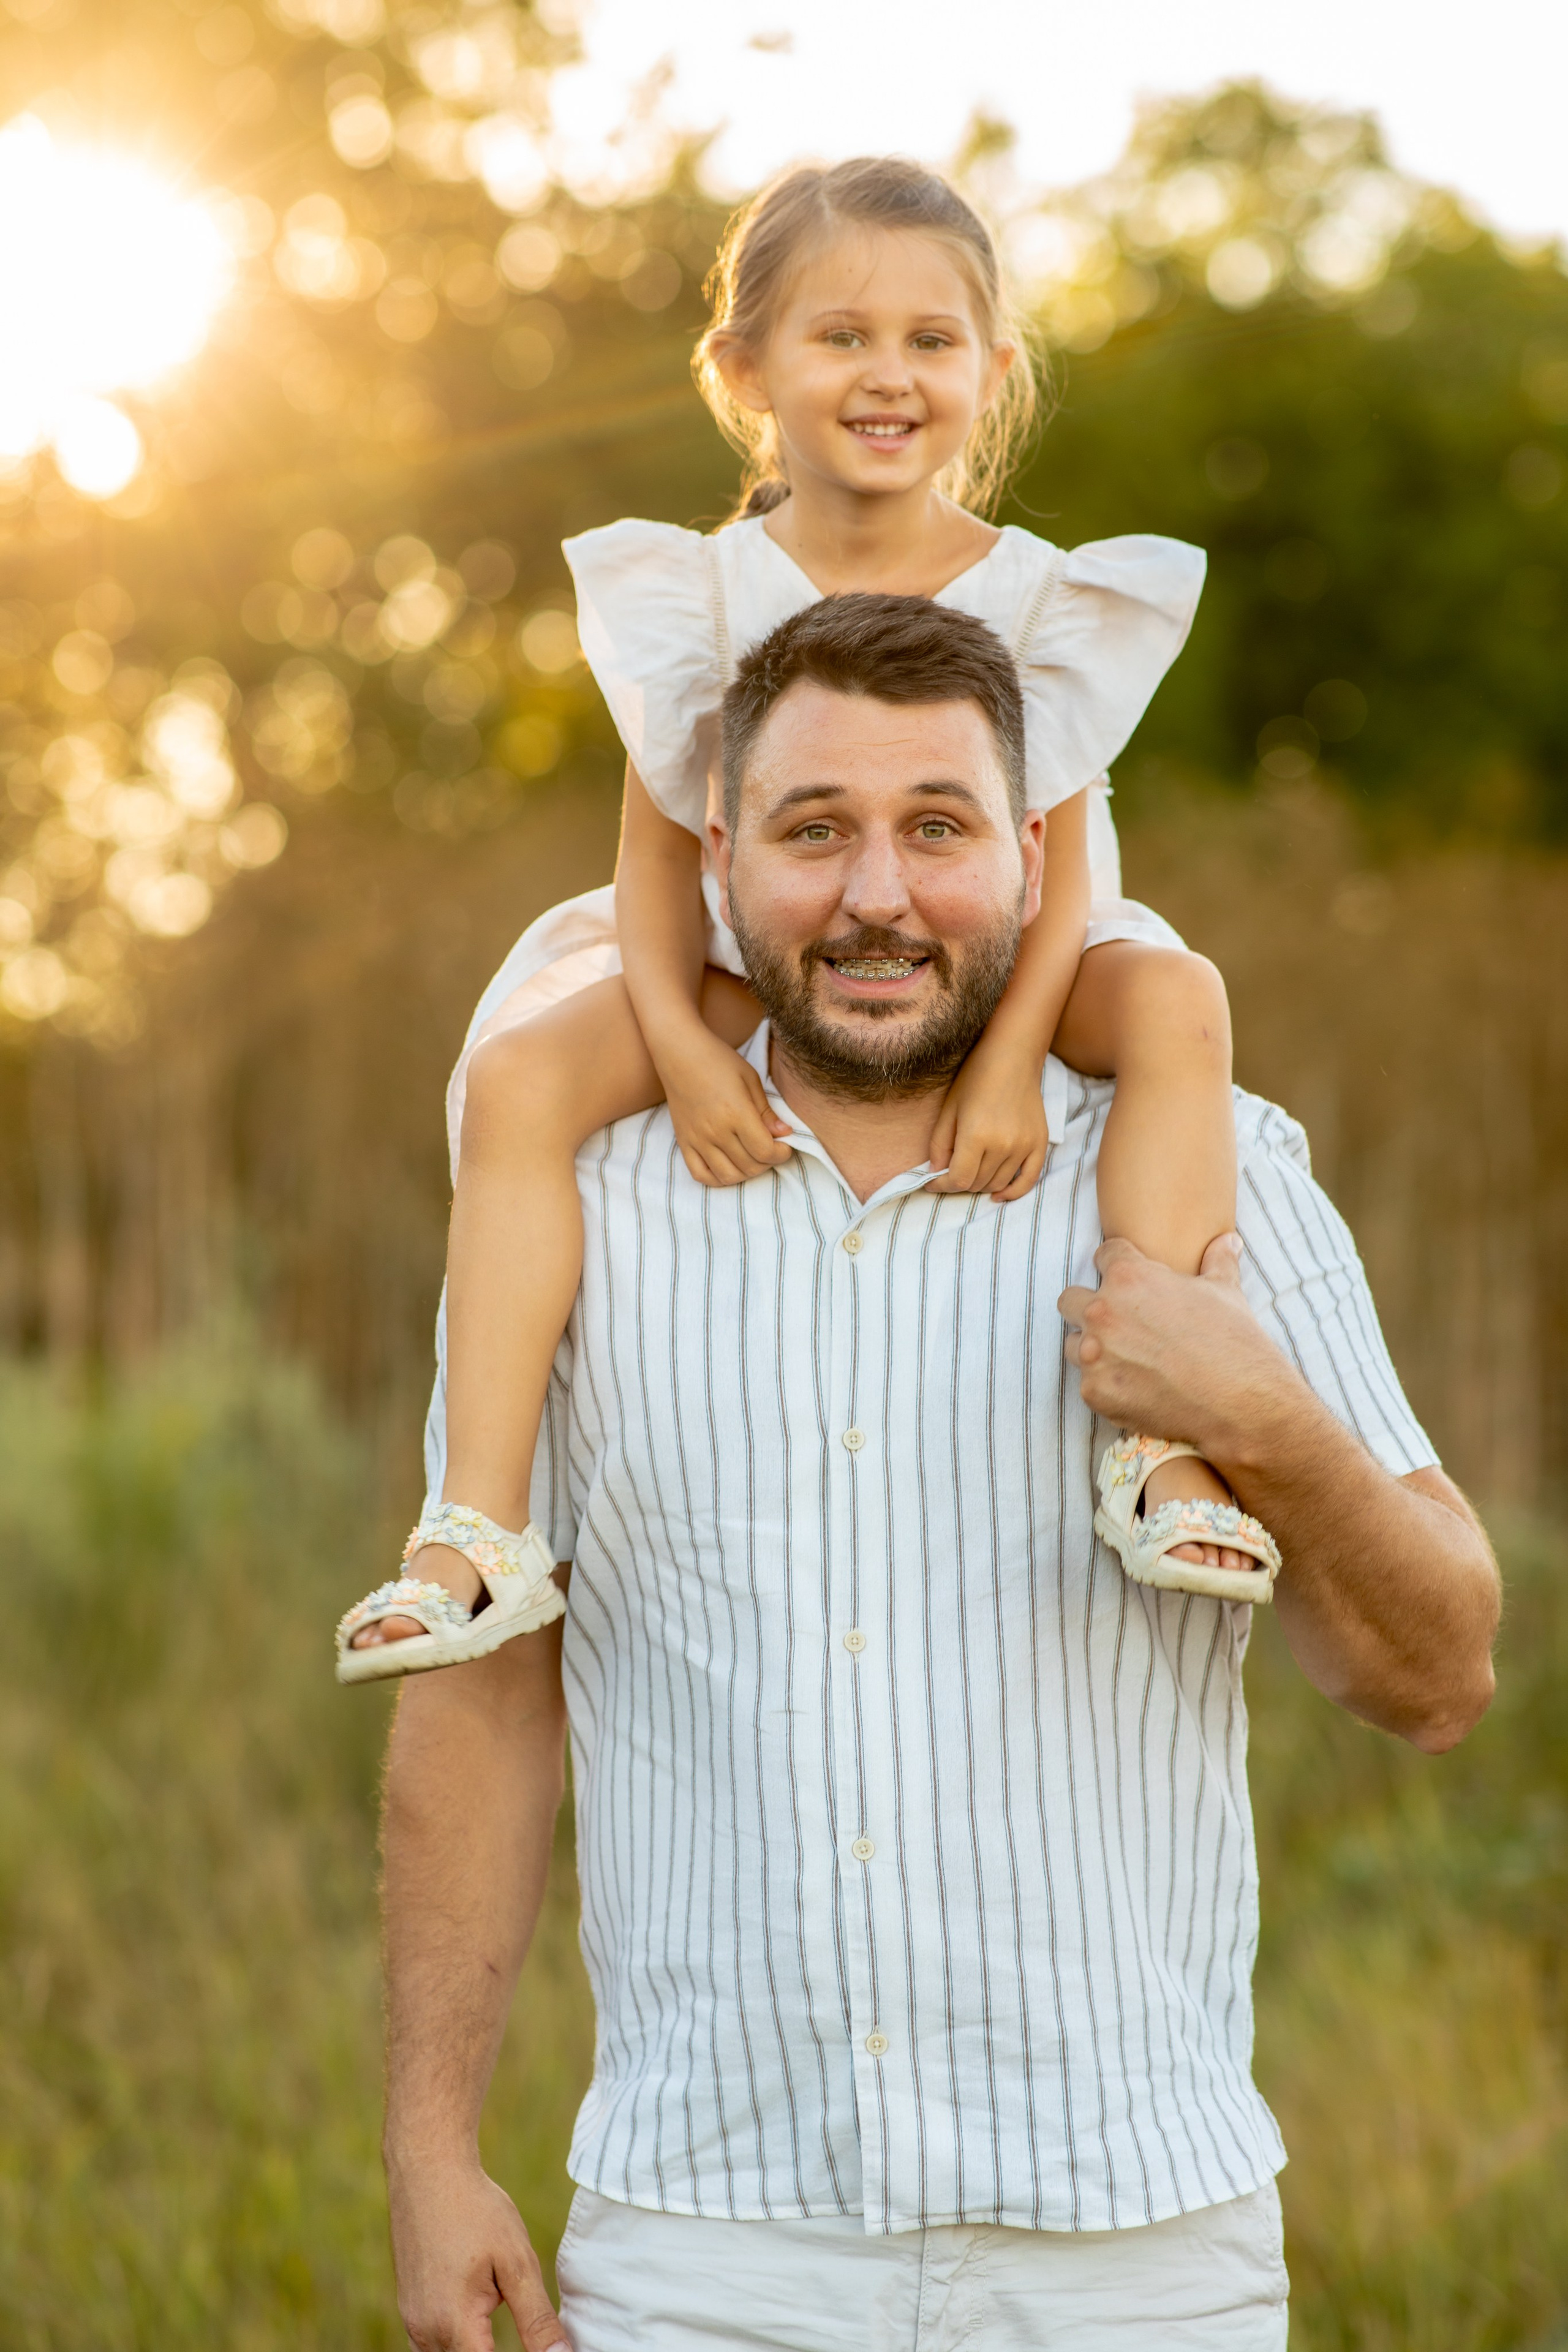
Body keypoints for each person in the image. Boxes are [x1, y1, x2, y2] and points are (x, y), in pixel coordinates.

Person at [379, 594, 1499, 2352]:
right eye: (813, 831)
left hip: (1141, 2268)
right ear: (717, 860)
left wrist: (1268, 1427)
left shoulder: (1215, 1177)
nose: (877, 896)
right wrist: (428, 2152)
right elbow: (484, 1693)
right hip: (701, 2260)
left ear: (1035, 862)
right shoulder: (576, 1214)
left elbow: (1437, 1677)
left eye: (937, 828)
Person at [337, 156, 1270, 1683]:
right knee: (515, 1079)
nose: (887, 375)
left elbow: (1061, 867)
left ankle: (1162, 1450)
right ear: (745, 369)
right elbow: (657, 868)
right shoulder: (699, 594)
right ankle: (476, 1528)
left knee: (1176, 998)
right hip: (737, 953)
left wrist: (1010, 1058)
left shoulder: (1040, 600)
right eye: (840, 337)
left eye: (929, 341)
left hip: (999, 944)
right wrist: (683, 1054)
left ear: (991, 373)